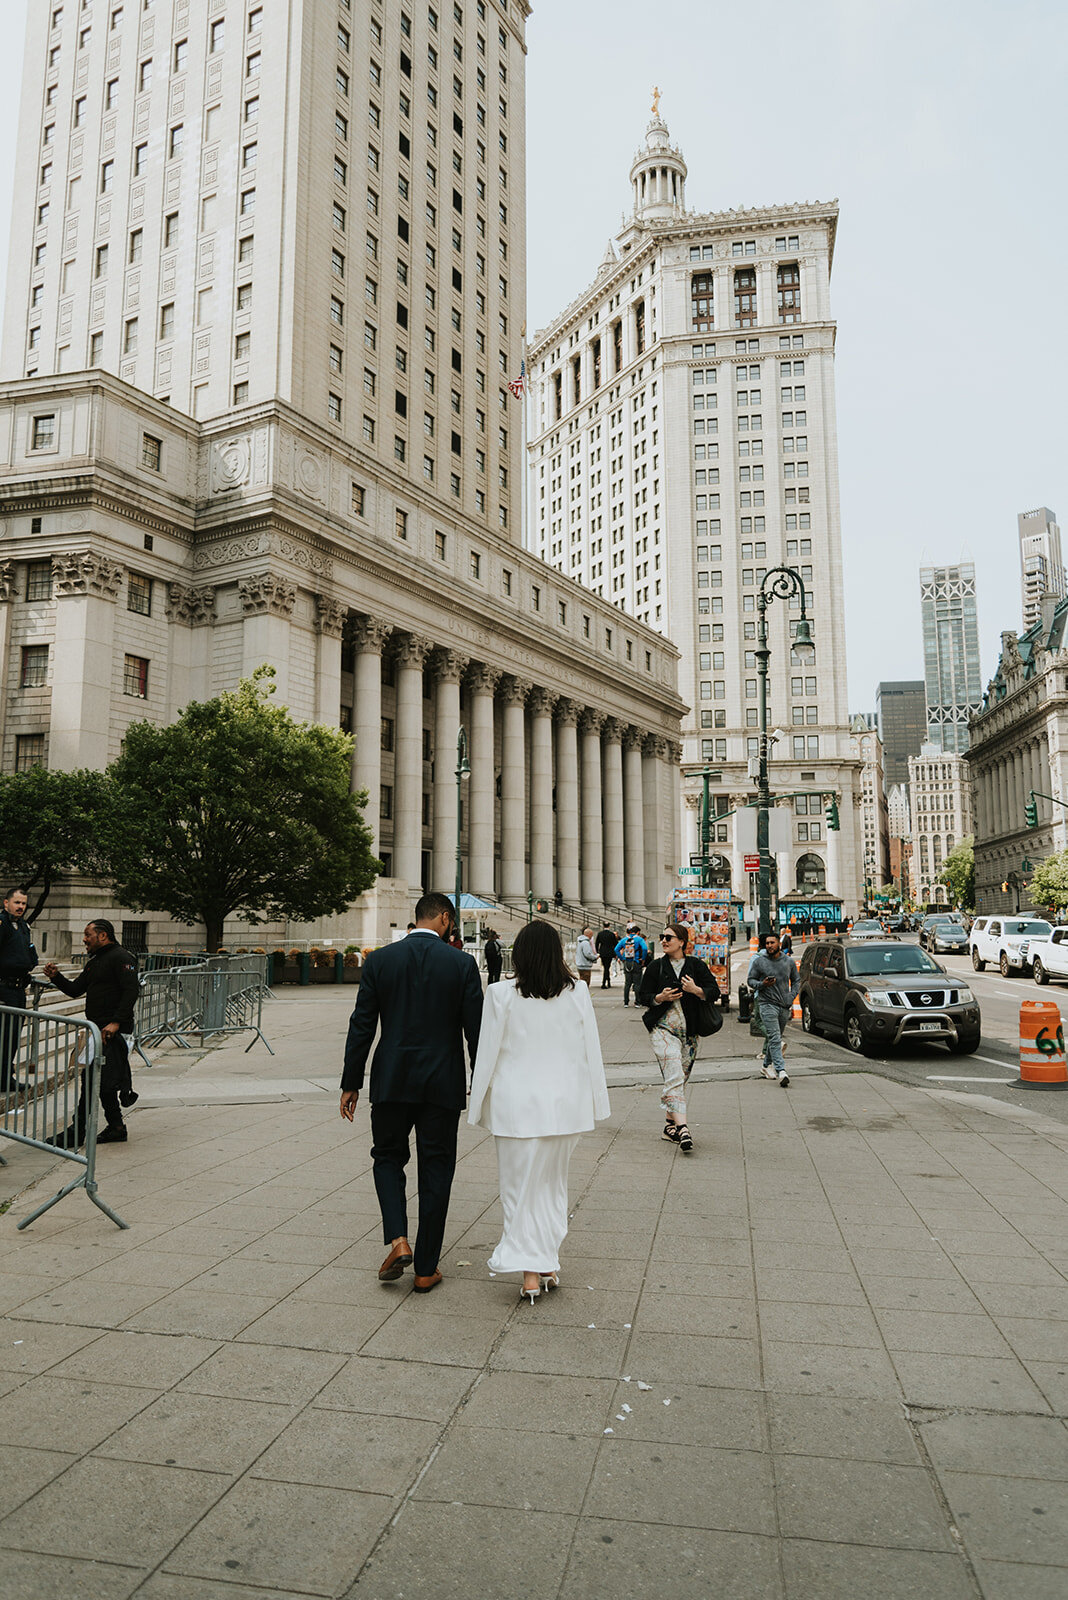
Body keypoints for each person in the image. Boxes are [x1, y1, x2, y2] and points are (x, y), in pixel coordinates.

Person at [340, 892, 483, 1294]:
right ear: (444, 918)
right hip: (442, 1083)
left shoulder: (381, 961)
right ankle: (425, 1269)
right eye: (450, 922)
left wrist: (352, 1082)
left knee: (387, 1157)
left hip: (391, 1081)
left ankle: (398, 1239)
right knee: (437, 1169)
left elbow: (362, 1025)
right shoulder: (461, 964)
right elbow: (477, 1032)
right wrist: (484, 1082)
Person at [468, 921, 609, 1304]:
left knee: (518, 1190)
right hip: (564, 1106)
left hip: (515, 1106)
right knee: (550, 1186)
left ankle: (531, 1272)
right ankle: (546, 1261)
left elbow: (487, 1054)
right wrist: (597, 1101)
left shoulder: (500, 994)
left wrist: (476, 1102)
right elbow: (590, 1051)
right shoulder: (578, 992)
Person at [42, 920, 140, 1146]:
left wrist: (115, 1023)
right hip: (97, 1031)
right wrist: (56, 977)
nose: (84, 939)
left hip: (113, 1033)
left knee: (97, 1082)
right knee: (97, 1081)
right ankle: (115, 1127)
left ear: (103, 935)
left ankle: (79, 1130)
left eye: (88, 935)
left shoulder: (122, 958)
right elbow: (76, 989)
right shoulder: (95, 961)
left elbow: (130, 992)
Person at [638, 924, 719, 1154]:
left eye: (669, 937)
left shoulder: (695, 965)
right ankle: (683, 1129)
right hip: (662, 1031)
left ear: (682, 941)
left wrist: (696, 990)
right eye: (662, 937)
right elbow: (642, 996)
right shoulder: (655, 966)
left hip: (690, 1034)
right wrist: (659, 997)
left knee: (678, 1079)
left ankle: (668, 1127)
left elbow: (714, 991)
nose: (663, 940)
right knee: (674, 1075)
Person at [747, 931, 799, 1088]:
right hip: (766, 1003)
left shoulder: (788, 962)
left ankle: (765, 1066)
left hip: (784, 1005)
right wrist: (762, 984)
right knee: (775, 1037)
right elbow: (750, 980)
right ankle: (781, 1070)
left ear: (779, 944)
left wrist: (791, 997)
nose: (769, 946)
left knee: (774, 1037)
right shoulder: (760, 962)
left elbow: (796, 980)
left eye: (772, 942)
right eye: (767, 943)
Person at [0, 888, 38, 1094]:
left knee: (12, 1037)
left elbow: (29, 954)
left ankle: (6, 1078)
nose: (21, 907)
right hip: (3, 988)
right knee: (2, 1036)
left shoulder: (23, 926)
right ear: (6, 903)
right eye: (17, 902)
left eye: (23, 903)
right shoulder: (2, 924)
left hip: (17, 989)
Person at [614, 925, 649, 1007]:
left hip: (627, 962)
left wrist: (622, 958)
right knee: (637, 983)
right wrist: (643, 959)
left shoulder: (624, 939)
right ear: (638, 932)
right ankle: (637, 1002)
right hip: (636, 962)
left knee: (627, 983)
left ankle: (626, 1002)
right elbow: (644, 948)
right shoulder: (639, 939)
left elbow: (616, 949)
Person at [595, 923, 618, 989]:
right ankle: (606, 982)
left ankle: (606, 981)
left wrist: (597, 952)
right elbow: (615, 944)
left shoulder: (600, 934)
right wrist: (615, 953)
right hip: (609, 952)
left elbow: (597, 943)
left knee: (606, 967)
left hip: (603, 952)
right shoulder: (611, 934)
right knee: (607, 967)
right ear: (609, 926)